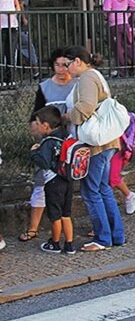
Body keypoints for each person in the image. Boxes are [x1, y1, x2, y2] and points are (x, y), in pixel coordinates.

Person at [63, 46, 126, 251]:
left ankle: (102, 238)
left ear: (78, 62)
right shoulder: (95, 75)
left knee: (91, 191)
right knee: (103, 188)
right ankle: (116, 235)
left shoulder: (86, 78)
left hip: (96, 145)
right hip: (108, 142)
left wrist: (68, 116)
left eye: (68, 63)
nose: (66, 68)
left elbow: (86, 107)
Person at [19, 48, 76, 242]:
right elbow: (35, 115)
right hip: (48, 141)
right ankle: (33, 227)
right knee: (41, 182)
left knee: (75, 182)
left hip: (72, 141)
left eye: (65, 65)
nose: (61, 69)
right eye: (57, 65)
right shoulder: (44, 87)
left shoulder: (78, 84)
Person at [30, 105, 76, 255]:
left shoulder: (48, 141)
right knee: (66, 214)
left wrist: (34, 152)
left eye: (37, 123)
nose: (36, 125)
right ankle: (69, 244)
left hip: (53, 182)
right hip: (68, 180)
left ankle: (55, 243)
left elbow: (44, 162)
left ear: (45, 125)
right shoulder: (65, 135)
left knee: (55, 215)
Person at [14, 0, 40, 79]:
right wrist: (23, 18)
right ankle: (35, 71)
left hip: (16, 28)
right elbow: (21, 4)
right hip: (22, 29)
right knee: (29, 49)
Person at [0, 0, 20, 87]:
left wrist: (17, 13)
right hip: (1, 26)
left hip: (12, 25)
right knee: (1, 53)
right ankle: (1, 79)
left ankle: (11, 78)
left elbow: (16, 4)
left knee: (11, 52)